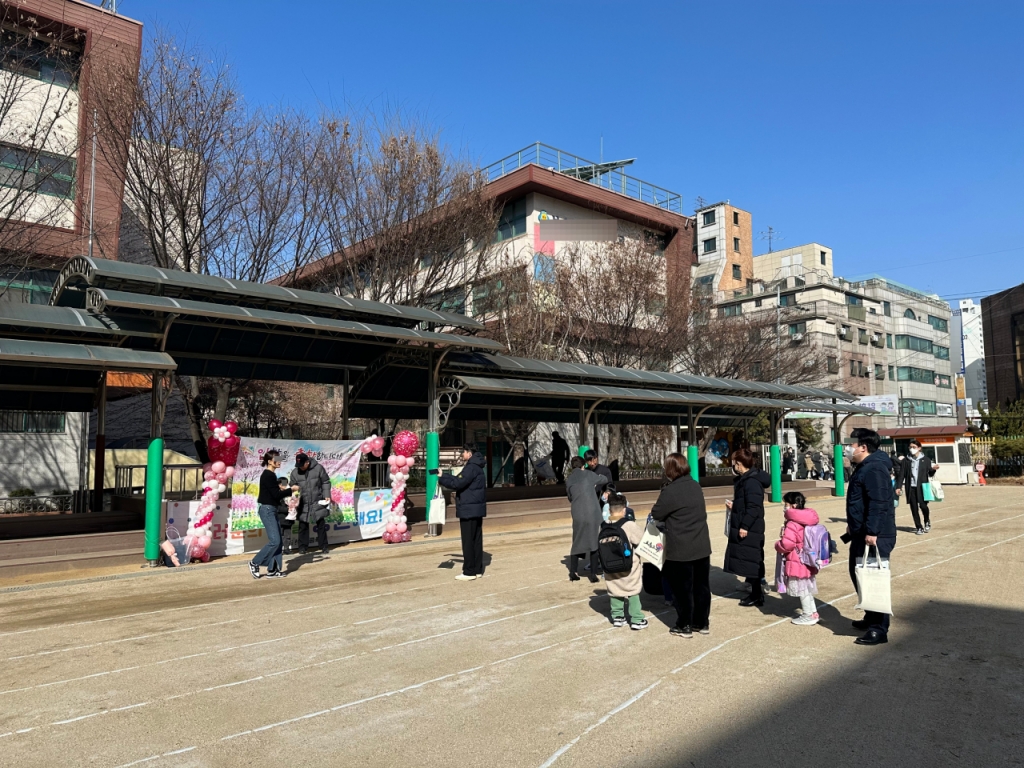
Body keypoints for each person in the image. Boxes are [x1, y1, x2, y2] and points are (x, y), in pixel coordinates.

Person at [650, 452, 712, 638]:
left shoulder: (670, 491)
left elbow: (657, 513)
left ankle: (684, 624)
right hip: (700, 544)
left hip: (680, 548)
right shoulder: (695, 485)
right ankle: (701, 622)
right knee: (701, 587)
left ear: (670, 470)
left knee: (682, 589)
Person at [846, 427, 896, 646]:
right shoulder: (865, 466)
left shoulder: (874, 468)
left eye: (852, 445)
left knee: (874, 579)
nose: (849, 449)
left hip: (875, 534)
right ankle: (870, 616)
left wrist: (872, 531)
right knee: (859, 573)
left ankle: (879, 629)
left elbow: (878, 502)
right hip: (861, 531)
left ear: (863, 447)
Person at [723, 448, 771, 607]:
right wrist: (735, 506)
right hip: (749, 524)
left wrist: (745, 526)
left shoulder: (751, 481)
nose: (733, 465)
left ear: (739, 463)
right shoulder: (746, 479)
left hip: (751, 527)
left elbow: (754, 507)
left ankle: (757, 594)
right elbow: (746, 503)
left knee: (753, 559)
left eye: (734, 462)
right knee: (750, 558)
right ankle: (752, 586)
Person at [435, 443, 487, 581]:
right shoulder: (477, 467)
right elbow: (459, 480)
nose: (461, 454)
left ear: (469, 453)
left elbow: (457, 483)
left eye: (463, 452)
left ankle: (469, 571)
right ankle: (477, 569)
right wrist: (444, 476)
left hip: (468, 509)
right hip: (476, 508)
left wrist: (442, 478)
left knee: (468, 541)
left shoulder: (471, 468)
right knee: (476, 539)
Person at [774, 491, 820, 626]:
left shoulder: (792, 523)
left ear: (793, 505)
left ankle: (807, 614)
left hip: (796, 560)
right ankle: (813, 612)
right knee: (806, 587)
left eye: (786, 504)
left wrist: (778, 545)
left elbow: (787, 544)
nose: (785, 507)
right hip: (807, 559)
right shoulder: (808, 519)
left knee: (802, 589)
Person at [250, 450, 298, 579]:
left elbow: (274, 494)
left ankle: (273, 570)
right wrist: (290, 490)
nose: (279, 462)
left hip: (272, 509)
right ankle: (255, 562)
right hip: (267, 510)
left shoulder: (271, 475)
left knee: (278, 541)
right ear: (270, 461)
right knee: (275, 540)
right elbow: (276, 495)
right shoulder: (268, 475)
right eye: (277, 459)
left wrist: (281, 489)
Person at [603, 493, 647, 630]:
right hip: (628, 565)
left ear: (609, 510)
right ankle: (636, 619)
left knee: (615, 588)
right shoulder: (628, 525)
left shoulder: (603, 525)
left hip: (609, 565)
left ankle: (617, 617)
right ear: (624, 510)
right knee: (632, 589)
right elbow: (641, 541)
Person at [566, 455, 608, 581]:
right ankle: (593, 574)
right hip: (592, 512)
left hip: (577, 513)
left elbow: (570, 497)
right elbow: (604, 479)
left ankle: (573, 572)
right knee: (593, 541)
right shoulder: (589, 474)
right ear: (583, 465)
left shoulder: (569, 479)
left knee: (577, 540)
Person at [291, 452, 332, 555]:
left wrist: (326, 494)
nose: (300, 468)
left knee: (320, 523)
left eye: (302, 465)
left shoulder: (318, 468)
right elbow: (292, 487)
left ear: (307, 462)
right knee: (303, 525)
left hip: (317, 500)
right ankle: (302, 547)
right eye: (298, 466)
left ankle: (324, 546)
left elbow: (325, 482)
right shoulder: (294, 473)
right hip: (303, 502)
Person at [894, 439, 938, 535]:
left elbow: (929, 474)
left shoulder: (926, 460)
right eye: (910, 447)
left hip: (922, 487)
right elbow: (902, 475)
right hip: (911, 487)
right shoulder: (906, 461)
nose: (912, 449)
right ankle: (919, 527)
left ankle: (927, 520)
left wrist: (933, 470)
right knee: (914, 508)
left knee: (923, 506)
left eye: (914, 447)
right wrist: (899, 487)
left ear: (919, 448)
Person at [275, 476, 296, 555]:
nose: (286, 485)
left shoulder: (290, 494)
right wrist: (286, 509)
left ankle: (287, 548)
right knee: (279, 534)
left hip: (289, 518)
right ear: (279, 485)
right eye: (284, 484)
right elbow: (276, 507)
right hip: (280, 517)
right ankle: (278, 549)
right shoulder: (277, 494)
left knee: (287, 534)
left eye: (287, 483)